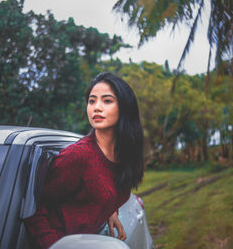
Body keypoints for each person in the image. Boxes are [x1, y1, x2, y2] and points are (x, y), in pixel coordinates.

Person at [24, 72, 145, 249]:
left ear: (124, 108)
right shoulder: (78, 156)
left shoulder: (124, 155)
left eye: (107, 101)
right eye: (92, 101)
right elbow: (35, 210)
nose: (97, 107)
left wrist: (110, 210)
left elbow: (102, 187)